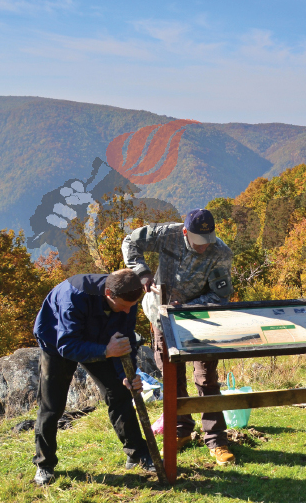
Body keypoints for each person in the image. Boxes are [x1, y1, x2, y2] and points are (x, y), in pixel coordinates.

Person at [122, 208, 235, 465]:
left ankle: (216, 439)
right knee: (172, 377)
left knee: (206, 377)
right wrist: (142, 272)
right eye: (199, 242)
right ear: (185, 232)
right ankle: (180, 431)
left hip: (201, 320)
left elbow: (220, 295)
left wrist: (185, 307)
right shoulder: (167, 234)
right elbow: (130, 241)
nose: (204, 247)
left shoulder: (221, 252)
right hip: (162, 316)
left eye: (208, 241)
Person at [32, 269, 155, 486]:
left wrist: (127, 375)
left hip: (100, 338)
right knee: (52, 405)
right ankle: (45, 464)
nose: (128, 311)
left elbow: (124, 340)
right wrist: (106, 351)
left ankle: (137, 453)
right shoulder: (73, 297)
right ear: (108, 294)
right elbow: (67, 345)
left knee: (119, 392)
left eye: (132, 306)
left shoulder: (128, 296)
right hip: (57, 343)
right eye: (123, 306)